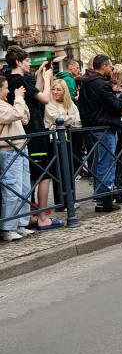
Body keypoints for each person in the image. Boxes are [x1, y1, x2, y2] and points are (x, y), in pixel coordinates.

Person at [6, 45, 62, 230]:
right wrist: (47, 79)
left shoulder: (16, 79)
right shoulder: (17, 80)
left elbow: (34, 94)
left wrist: (39, 75)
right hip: (35, 132)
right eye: (28, 61)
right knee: (43, 175)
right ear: (18, 62)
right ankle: (42, 217)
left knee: (29, 176)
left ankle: (27, 216)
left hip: (27, 132)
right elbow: (45, 98)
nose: (30, 63)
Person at [78, 54, 122, 212]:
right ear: (103, 66)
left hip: (93, 126)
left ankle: (100, 197)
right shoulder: (99, 84)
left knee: (99, 162)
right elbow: (116, 106)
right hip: (103, 128)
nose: (111, 69)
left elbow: (97, 106)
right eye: (110, 66)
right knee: (106, 162)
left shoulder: (87, 82)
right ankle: (103, 200)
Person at [0, 75, 35, 241]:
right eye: (5, 87)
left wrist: (21, 101)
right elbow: (14, 115)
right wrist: (19, 99)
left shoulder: (7, 103)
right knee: (11, 188)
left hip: (21, 147)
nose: (8, 90)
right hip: (8, 150)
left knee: (23, 187)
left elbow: (24, 118)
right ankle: (8, 227)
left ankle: (21, 222)